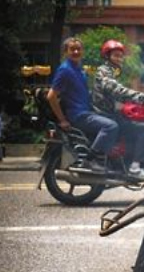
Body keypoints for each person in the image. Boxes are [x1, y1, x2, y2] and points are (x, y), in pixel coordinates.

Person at [92, 39, 144, 181]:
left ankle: (128, 162)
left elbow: (119, 95)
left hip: (111, 113)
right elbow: (118, 91)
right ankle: (134, 168)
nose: (119, 58)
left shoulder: (112, 72)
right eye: (115, 55)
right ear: (107, 56)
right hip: (106, 114)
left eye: (120, 55)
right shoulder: (104, 71)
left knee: (137, 123)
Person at [47, 37, 119, 173]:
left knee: (116, 119)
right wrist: (62, 120)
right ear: (66, 52)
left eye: (78, 49)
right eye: (72, 49)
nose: (75, 51)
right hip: (78, 115)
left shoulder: (80, 70)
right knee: (111, 126)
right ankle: (92, 160)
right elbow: (51, 96)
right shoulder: (65, 70)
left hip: (86, 112)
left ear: (82, 51)